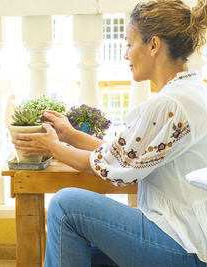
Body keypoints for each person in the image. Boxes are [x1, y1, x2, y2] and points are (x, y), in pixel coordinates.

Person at [12, 0, 207, 266]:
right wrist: (69, 135)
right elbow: (123, 155)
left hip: (185, 246)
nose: (125, 55)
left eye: (129, 43)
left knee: (66, 206)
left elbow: (113, 166)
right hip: (192, 239)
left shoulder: (168, 104)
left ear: (153, 45)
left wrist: (53, 148)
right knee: (79, 249)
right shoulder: (192, 91)